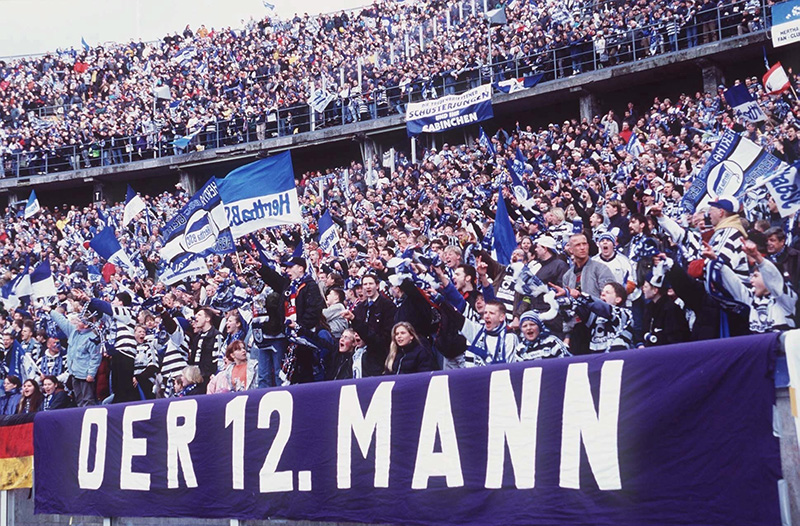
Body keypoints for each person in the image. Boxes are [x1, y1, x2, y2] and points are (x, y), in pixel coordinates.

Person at [49, 307, 102, 407]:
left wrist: (91, 374)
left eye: (79, 321)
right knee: (79, 400)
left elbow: (96, 357)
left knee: (88, 400)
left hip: (85, 376)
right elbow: (62, 321)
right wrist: (50, 311)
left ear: (86, 325)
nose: (76, 322)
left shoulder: (93, 338)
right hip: (74, 373)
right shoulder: (73, 331)